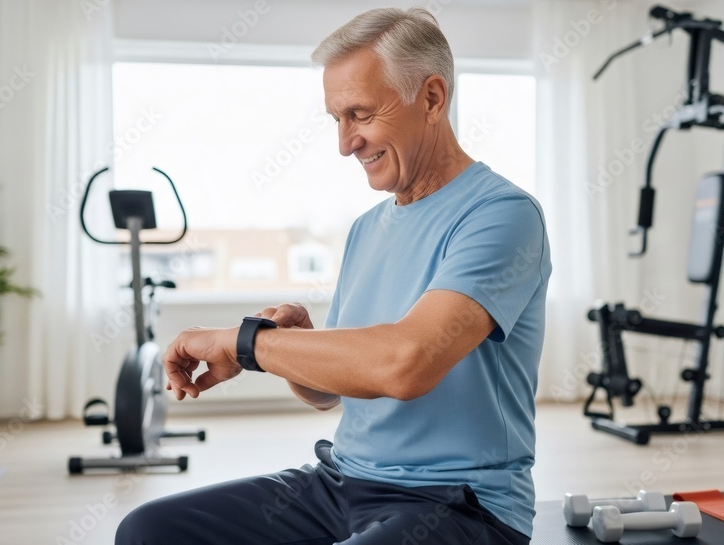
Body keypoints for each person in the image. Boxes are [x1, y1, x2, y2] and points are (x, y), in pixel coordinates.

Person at [115, 7, 550, 545]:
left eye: (361, 115)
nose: (345, 143)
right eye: (336, 119)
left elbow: (404, 364)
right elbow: (329, 396)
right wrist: (297, 346)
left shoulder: (501, 214)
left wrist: (248, 344)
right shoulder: (368, 227)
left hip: (461, 505)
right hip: (340, 483)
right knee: (149, 530)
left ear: (433, 99)